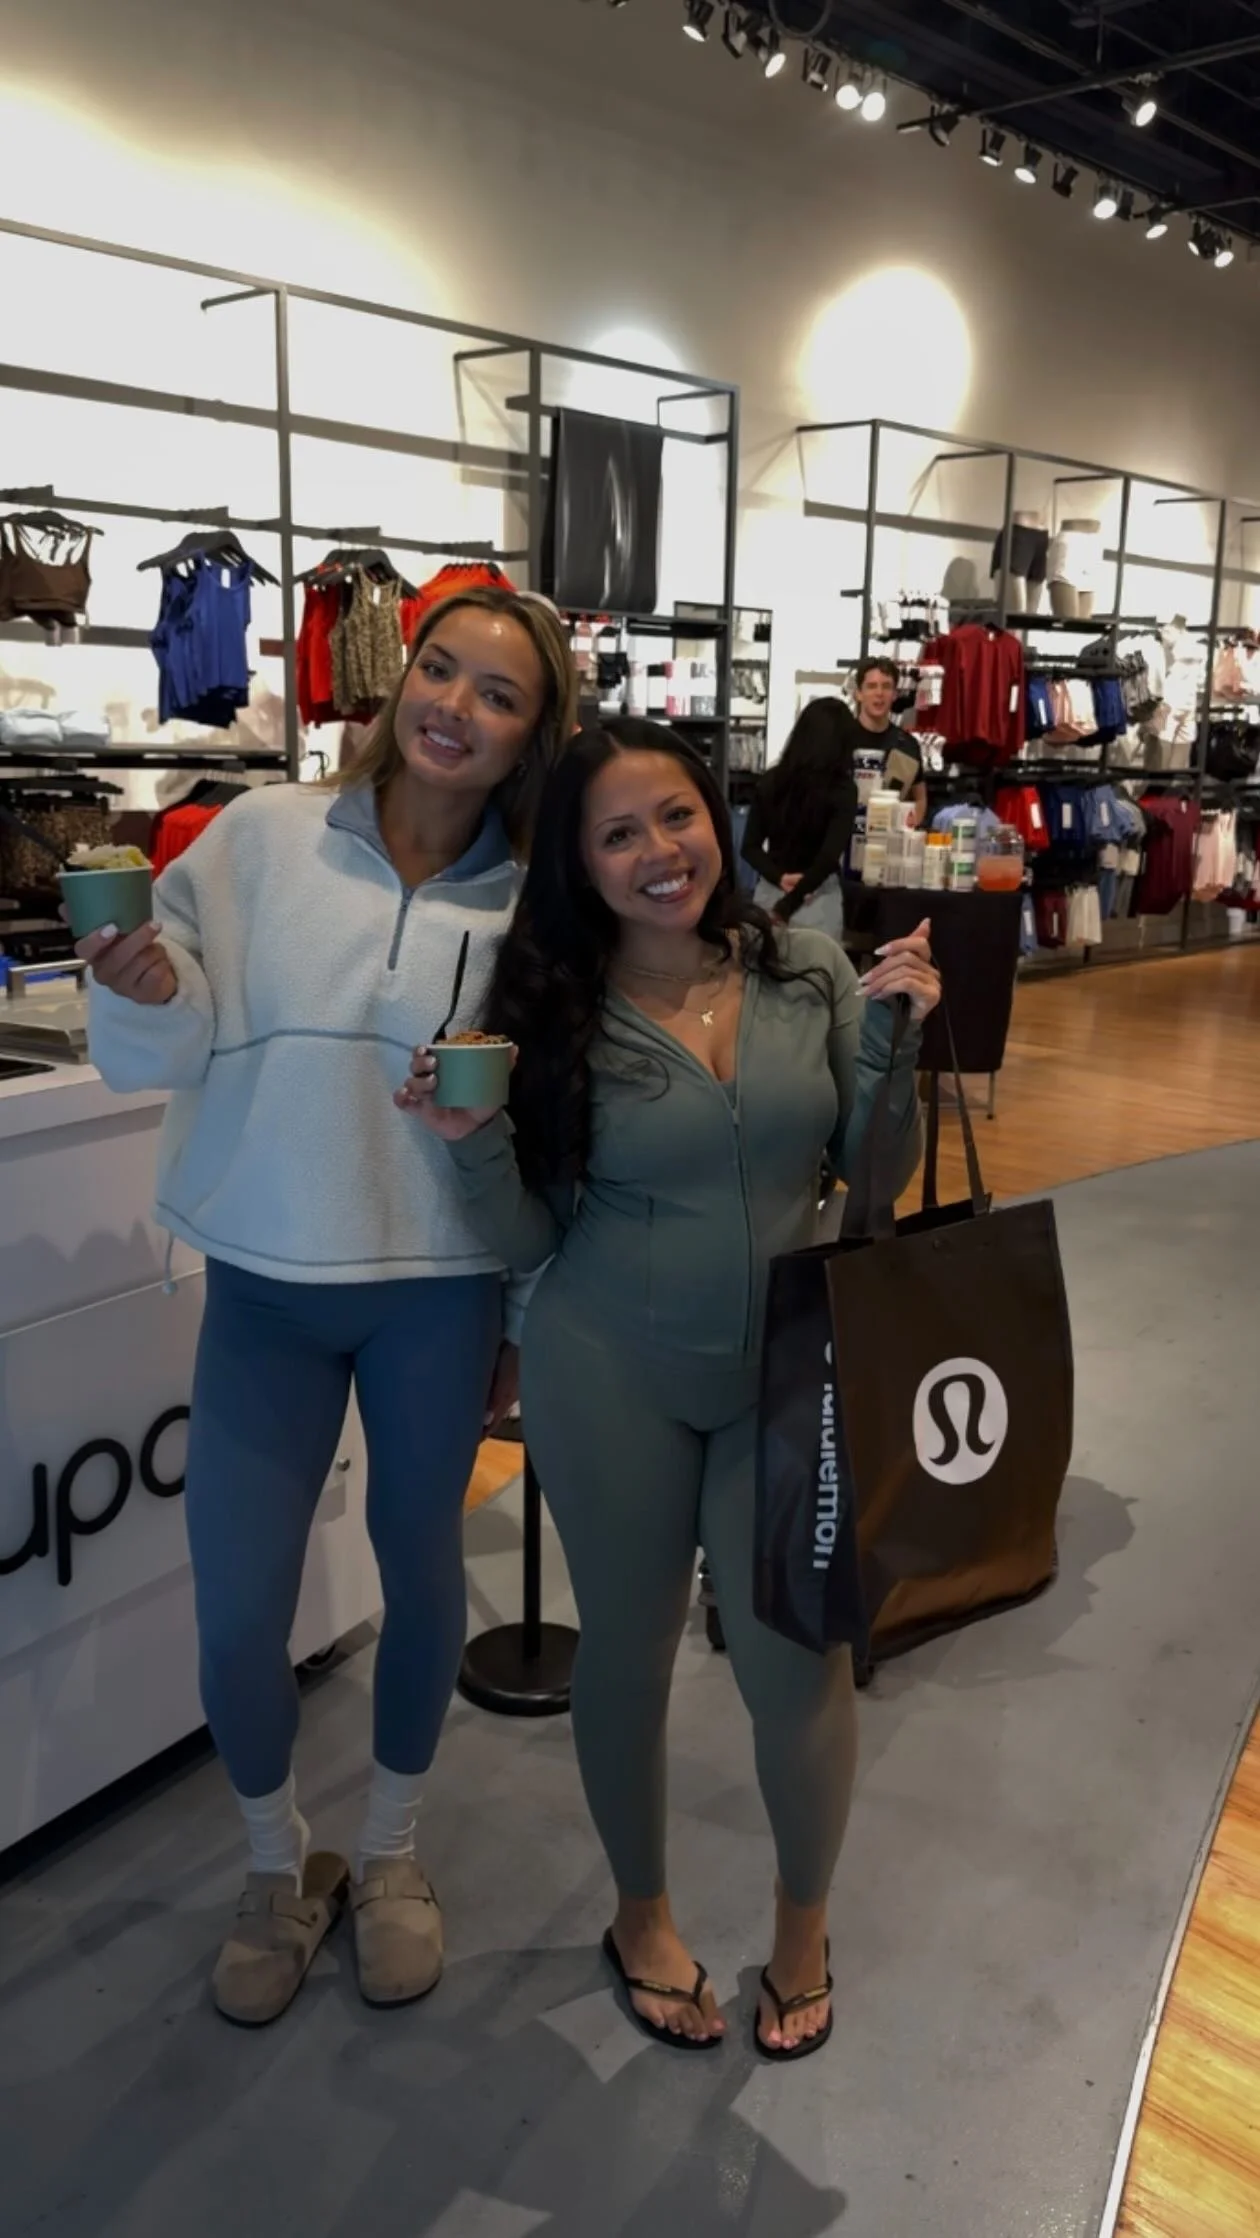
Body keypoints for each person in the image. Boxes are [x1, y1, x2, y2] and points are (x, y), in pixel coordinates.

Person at [401, 718, 939, 2061]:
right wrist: (469, 1142)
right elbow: (531, 1238)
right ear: (579, 863)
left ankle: (803, 1928)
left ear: (719, 818)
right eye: (618, 833)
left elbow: (873, 1178)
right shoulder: (549, 1015)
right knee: (628, 1655)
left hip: (786, 1376)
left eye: (679, 817)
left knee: (799, 1669)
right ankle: (641, 1916)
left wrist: (895, 1044)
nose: (659, 852)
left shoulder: (807, 972)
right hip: (608, 1377)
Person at [80, 587, 579, 2028]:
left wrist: (517, 1314)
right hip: (266, 1282)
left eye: (499, 694)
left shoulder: (535, 905)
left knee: (422, 1579)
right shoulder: (257, 837)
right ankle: (271, 1864)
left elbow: (544, 1131)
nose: (455, 707)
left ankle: (391, 1853)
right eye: (440, 669)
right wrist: (143, 986)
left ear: (533, 736)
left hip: (436, 1294)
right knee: (239, 1611)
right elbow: (159, 1045)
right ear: (398, 676)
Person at [740, 696, 857, 939]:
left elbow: (749, 848)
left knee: (763, 962)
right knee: (819, 964)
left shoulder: (771, 781)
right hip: (818, 898)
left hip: (770, 892)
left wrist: (779, 878)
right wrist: (790, 903)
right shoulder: (842, 790)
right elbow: (827, 858)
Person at [854, 654, 928, 827]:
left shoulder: (907, 745)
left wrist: (910, 823)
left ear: (895, 694)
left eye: (886, 686)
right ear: (858, 694)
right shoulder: (840, 739)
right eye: (871, 686)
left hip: (890, 836)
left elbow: (920, 798)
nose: (879, 693)